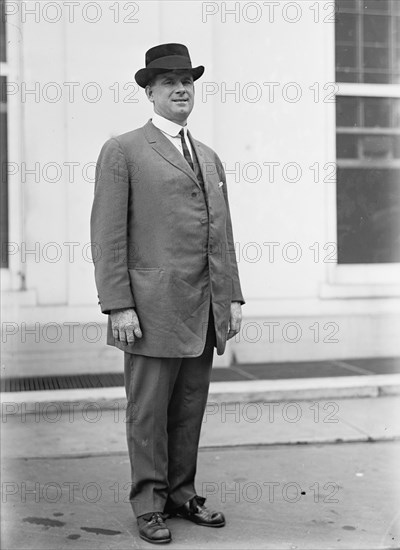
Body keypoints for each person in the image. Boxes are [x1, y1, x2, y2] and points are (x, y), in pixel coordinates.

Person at [91, 43, 244, 545]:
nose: (181, 88)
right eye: (169, 81)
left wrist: (232, 298)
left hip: (202, 309)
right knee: (149, 412)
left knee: (188, 407)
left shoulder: (209, 156)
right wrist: (119, 304)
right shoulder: (124, 150)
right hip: (150, 309)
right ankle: (149, 503)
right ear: (150, 91)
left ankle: (181, 493)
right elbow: (108, 235)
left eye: (188, 80)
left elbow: (222, 234)